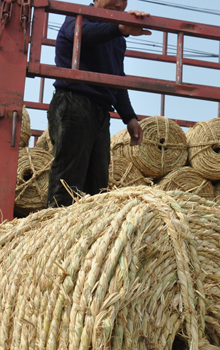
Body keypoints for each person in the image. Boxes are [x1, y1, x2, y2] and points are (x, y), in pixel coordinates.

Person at [46, 0, 151, 207]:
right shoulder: (78, 16)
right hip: (73, 102)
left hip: (101, 112)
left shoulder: (118, 39)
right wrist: (120, 27)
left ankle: (88, 236)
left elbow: (116, 76)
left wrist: (129, 117)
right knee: (68, 180)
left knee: (97, 185)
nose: (119, 3)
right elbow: (84, 34)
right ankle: (56, 233)